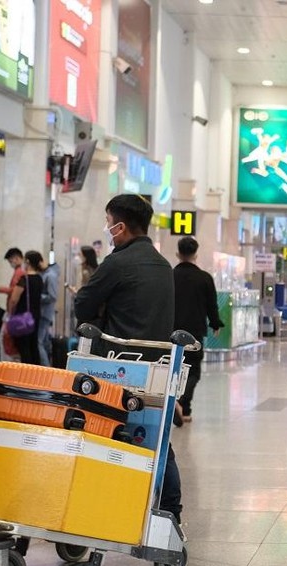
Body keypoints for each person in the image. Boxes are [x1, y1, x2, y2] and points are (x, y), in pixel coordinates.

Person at [74, 194, 183, 523]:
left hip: (117, 365)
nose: (107, 228)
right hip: (156, 367)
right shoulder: (163, 265)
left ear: (120, 227)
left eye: (108, 222)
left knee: (103, 429)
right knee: (155, 435)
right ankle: (171, 509)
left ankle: (96, 507)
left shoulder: (118, 262)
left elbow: (83, 305)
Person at [173, 236, 225, 422]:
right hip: (194, 332)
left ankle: (175, 405)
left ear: (178, 253)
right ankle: (184, 406)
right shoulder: (204, 278)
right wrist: (215, 323)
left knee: (173, 368)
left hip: (171, 332)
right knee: (193, 371)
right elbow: (212, 304)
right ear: (196, 254)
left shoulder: (170, 275)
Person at [5, 250, 43, 365]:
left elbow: (14, 299)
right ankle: (37, 373)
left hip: (23, 317)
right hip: (35, 316)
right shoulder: (39, 278)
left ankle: (27, 375)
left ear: (27, 262)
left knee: (23, 346)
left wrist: (10, 313)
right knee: (33, 345)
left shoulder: (24, 280)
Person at [0, 247, 26, 361]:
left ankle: (7, 366)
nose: (11, 263)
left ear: (17, 258)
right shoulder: (19, 271)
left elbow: (15, 291)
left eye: (11, 260)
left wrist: (2, 289)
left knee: (6, 338)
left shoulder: (20, 272)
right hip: (13, 311)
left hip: (13, 311)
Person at [37, 253, 59, 367]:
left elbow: (53, 296)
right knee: (44, 342)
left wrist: (37, 296)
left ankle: (46, 368)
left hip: (45, 312)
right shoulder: (48, 274)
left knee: (39, 342)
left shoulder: (50, 275)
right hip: (45, 312)